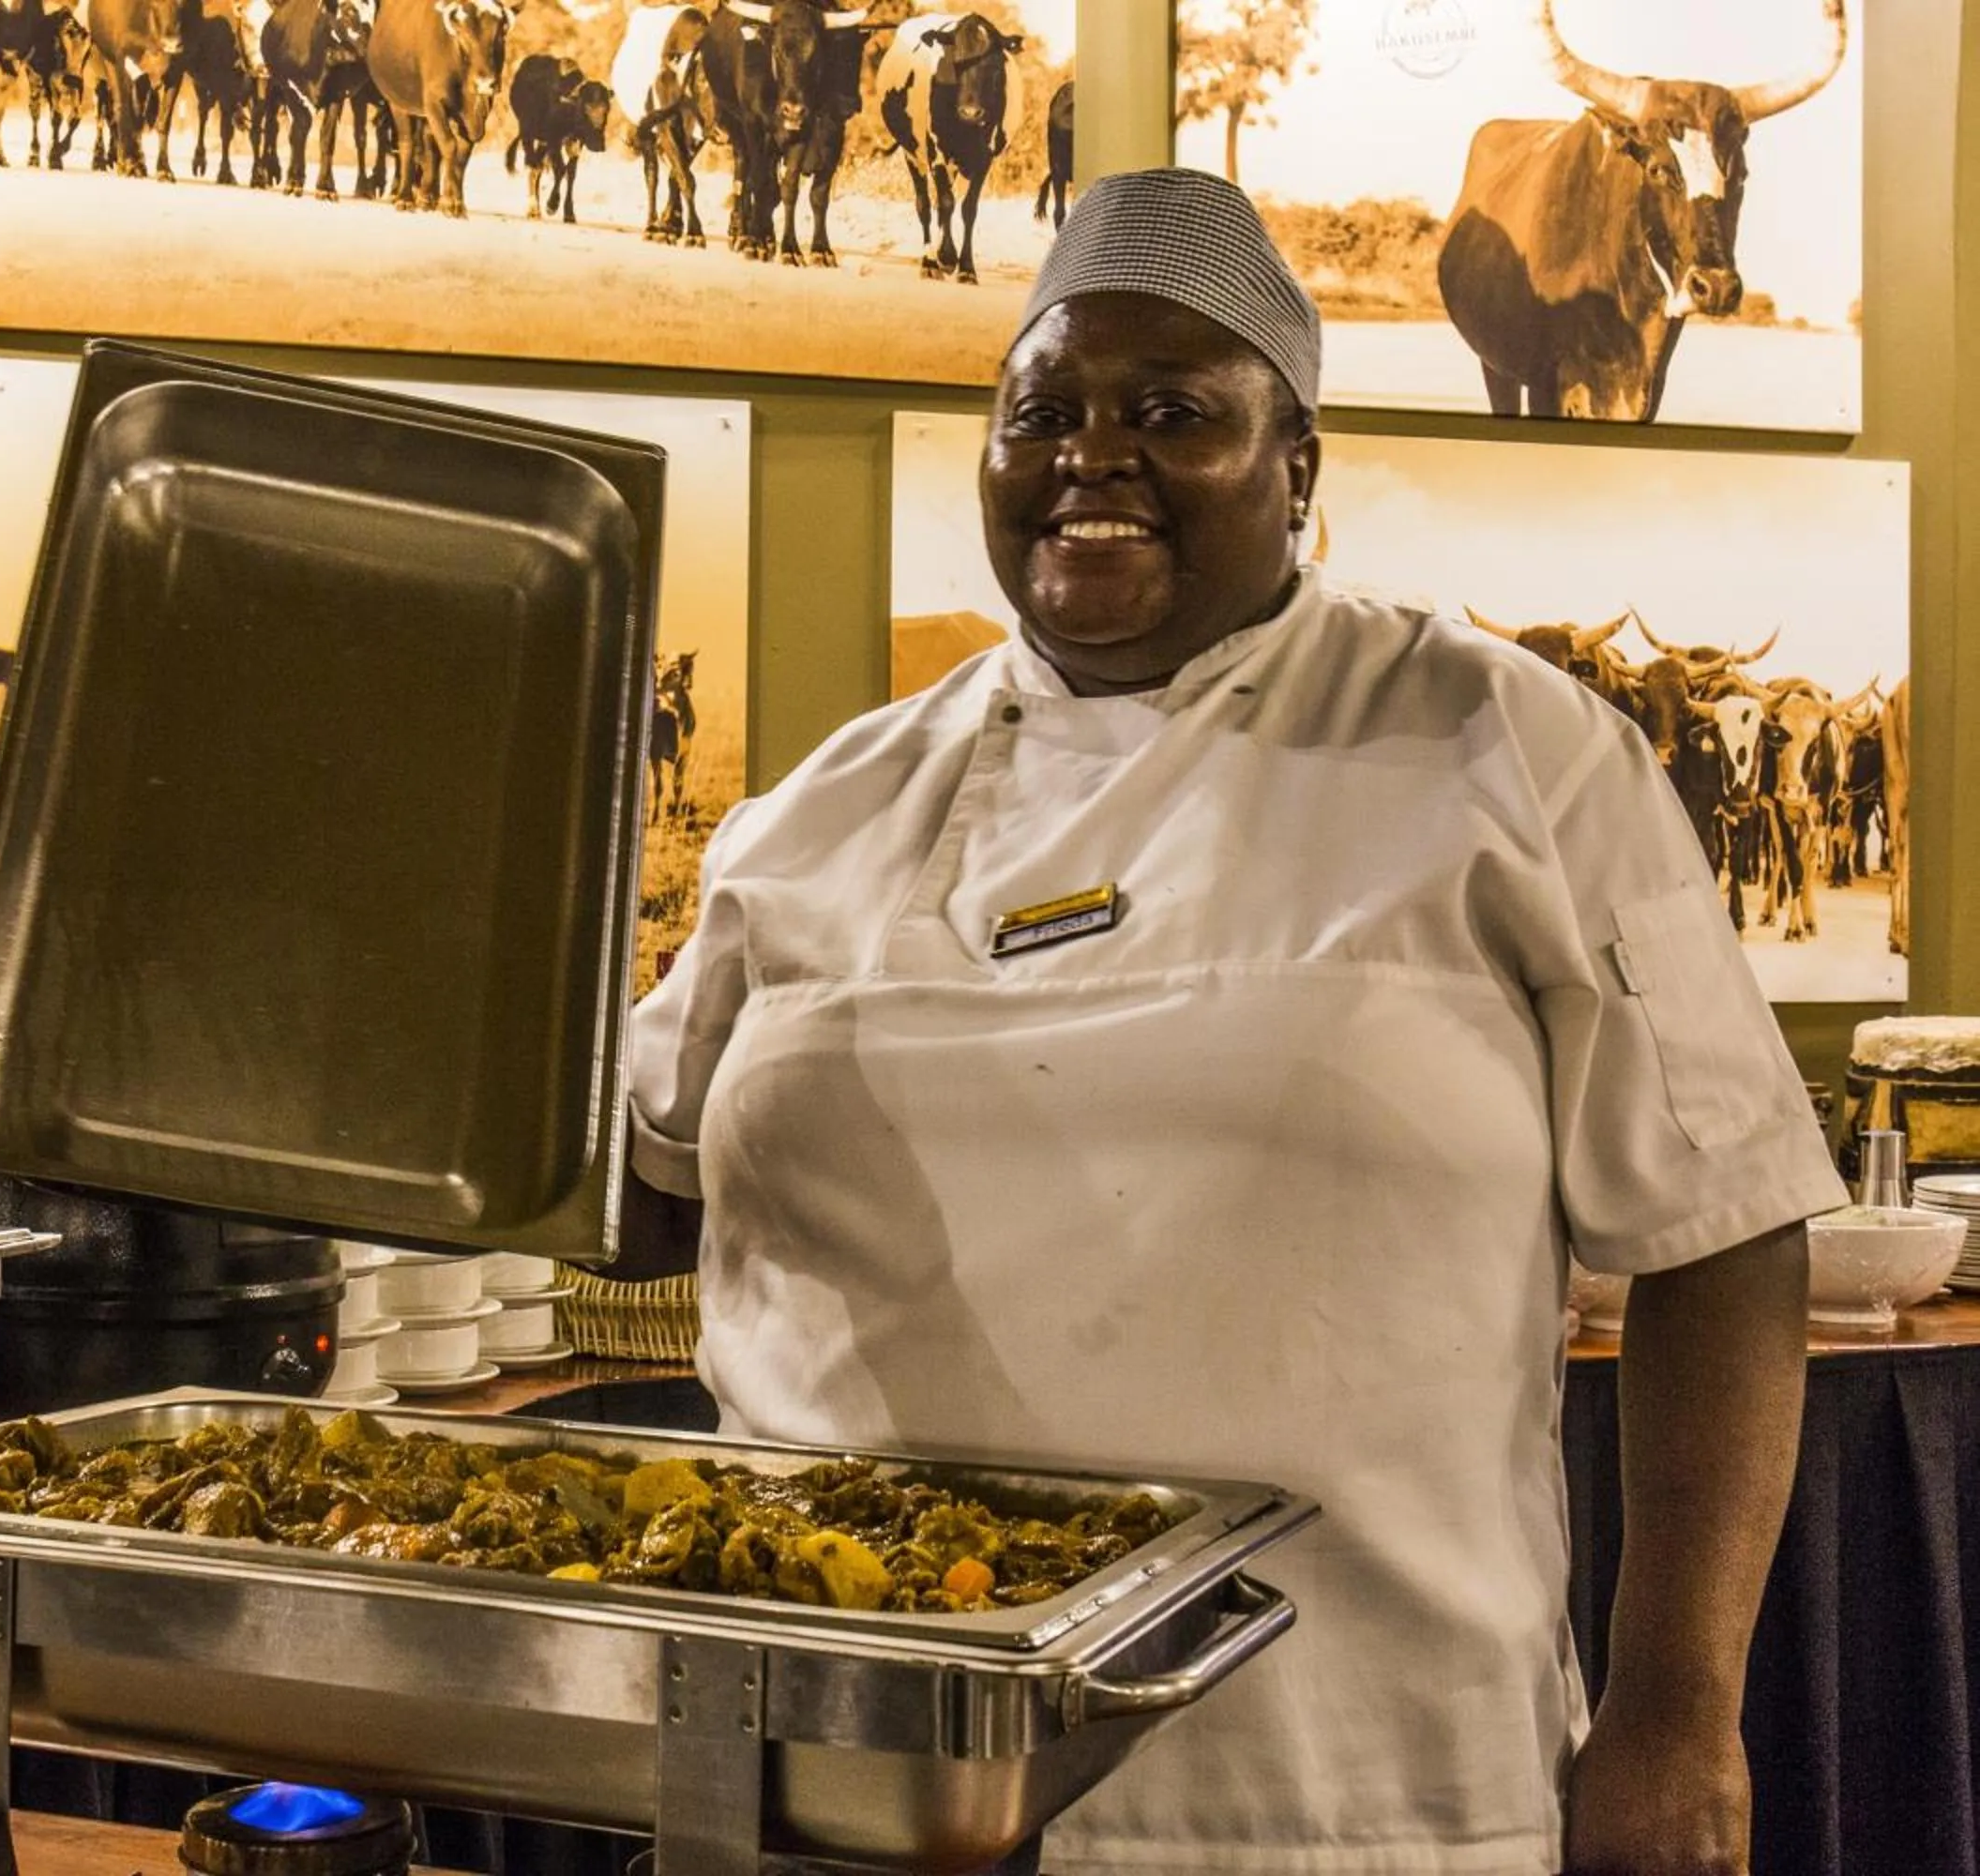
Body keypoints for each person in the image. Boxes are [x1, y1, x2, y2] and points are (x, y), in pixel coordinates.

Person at [615, 167, 1841, 1875]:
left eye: (1173, 412)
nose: (1090, 455)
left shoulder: (1510, 752)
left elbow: (1722, 1233)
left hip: (1344, 1778)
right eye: (1041, 414)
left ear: (1300, 471)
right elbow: (632, 1197)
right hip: (830, 1766)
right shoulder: (820, 810)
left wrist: (1676, 1710)